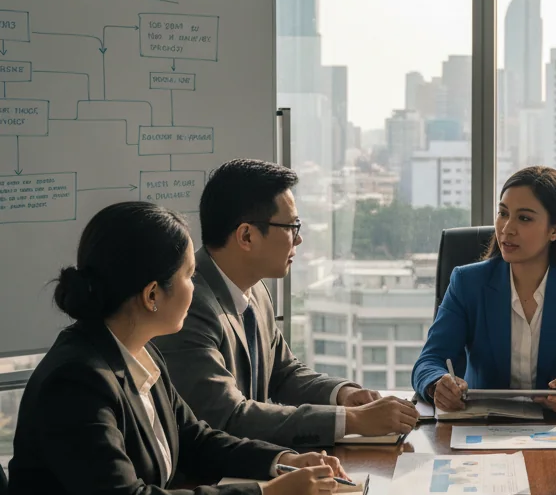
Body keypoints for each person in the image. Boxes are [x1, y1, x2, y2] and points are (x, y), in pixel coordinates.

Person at [7, 202, 347, 495]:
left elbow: (196, 439)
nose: (196, 283)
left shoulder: (141, 353)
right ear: (153, 294)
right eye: (189, 274)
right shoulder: (77, 381)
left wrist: (282, 461)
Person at [154, 160, 418, 448]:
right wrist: (350, 420)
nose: (299, 239)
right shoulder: (190, 304)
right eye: (292, 226)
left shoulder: (254, 289)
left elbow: (283, 372)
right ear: (246, 236)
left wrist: (342, 394)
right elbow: (228, 416)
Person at [412, 166, 556, 414]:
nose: (507, 228)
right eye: (503, 213)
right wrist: (437, 385)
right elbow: (429, 362)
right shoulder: (467, 283)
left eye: (524, 218)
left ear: (555, 230)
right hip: (482, 428)